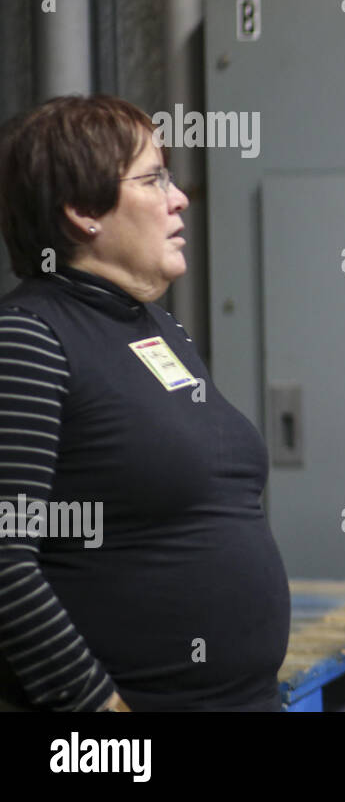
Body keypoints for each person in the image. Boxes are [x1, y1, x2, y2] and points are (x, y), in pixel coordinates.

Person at [0, 95, 290, 711]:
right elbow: (5, 562)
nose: (179, 197)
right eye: (154, 178)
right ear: (82, 210)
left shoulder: (157, 328)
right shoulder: (29, 338)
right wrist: (97, 708)